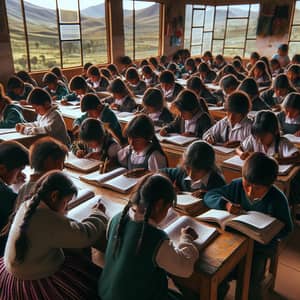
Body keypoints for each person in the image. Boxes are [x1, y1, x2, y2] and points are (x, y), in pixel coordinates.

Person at [0, 171, 107, 300]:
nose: (66, 208)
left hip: (13, 272)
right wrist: (98, 214)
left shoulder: (29, 204)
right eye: (65, 203)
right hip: (34, 279)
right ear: (54, 196)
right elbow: (85, 235)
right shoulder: (46, 219)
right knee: (88, 282)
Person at [204, 152, 293, 300]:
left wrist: (269, 230)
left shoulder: (277, 199)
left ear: (270, 185)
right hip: (234, 242)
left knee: (252, 282)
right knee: (215, 269)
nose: (250, 192)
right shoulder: (237, 185)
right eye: (247, 185)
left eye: (257, 188)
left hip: (260, 249)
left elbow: (287, 229)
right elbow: (210, 195)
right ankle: (220, 288)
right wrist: (225, 204)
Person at [98, 173, 199, 300]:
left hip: (105, 292)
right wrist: (186, 238)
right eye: (167, 208)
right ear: (158, 205)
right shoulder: (156, 239)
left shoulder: (116, 219)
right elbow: (185, 268)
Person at [16, 136, 68, 205]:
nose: (62, 168)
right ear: (57, 164)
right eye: (62, 163)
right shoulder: (52, 193)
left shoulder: (23, 188)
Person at [161, 141, 226, 195]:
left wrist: (208, 196)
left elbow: (220, 200)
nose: (190, 175)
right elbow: (161, 172)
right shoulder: (182, 172)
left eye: (197, 171)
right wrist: (169, 186)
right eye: (188, 168)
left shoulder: (218, 182)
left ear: (208, 168)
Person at [0, 141, 29, 256]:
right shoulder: (8, 196)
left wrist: (12, 177)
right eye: (19, 169)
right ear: (2, 169)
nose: (21, 173)